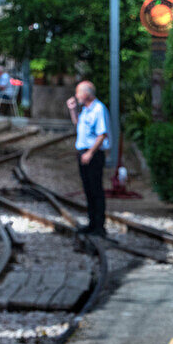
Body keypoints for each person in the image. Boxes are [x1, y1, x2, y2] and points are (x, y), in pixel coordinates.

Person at [65, 81, 110, 237]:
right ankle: (92, 224)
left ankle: (99, 226)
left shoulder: (99, 109)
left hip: (93, 154)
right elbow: (78, 125)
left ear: (86, 94)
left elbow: (102, 134)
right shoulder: (85, 109)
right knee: (88, 189)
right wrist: (72, 110)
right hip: (83, 153)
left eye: (78, 93)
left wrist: (90, 153)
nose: (76, 96)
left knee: (96, 189)